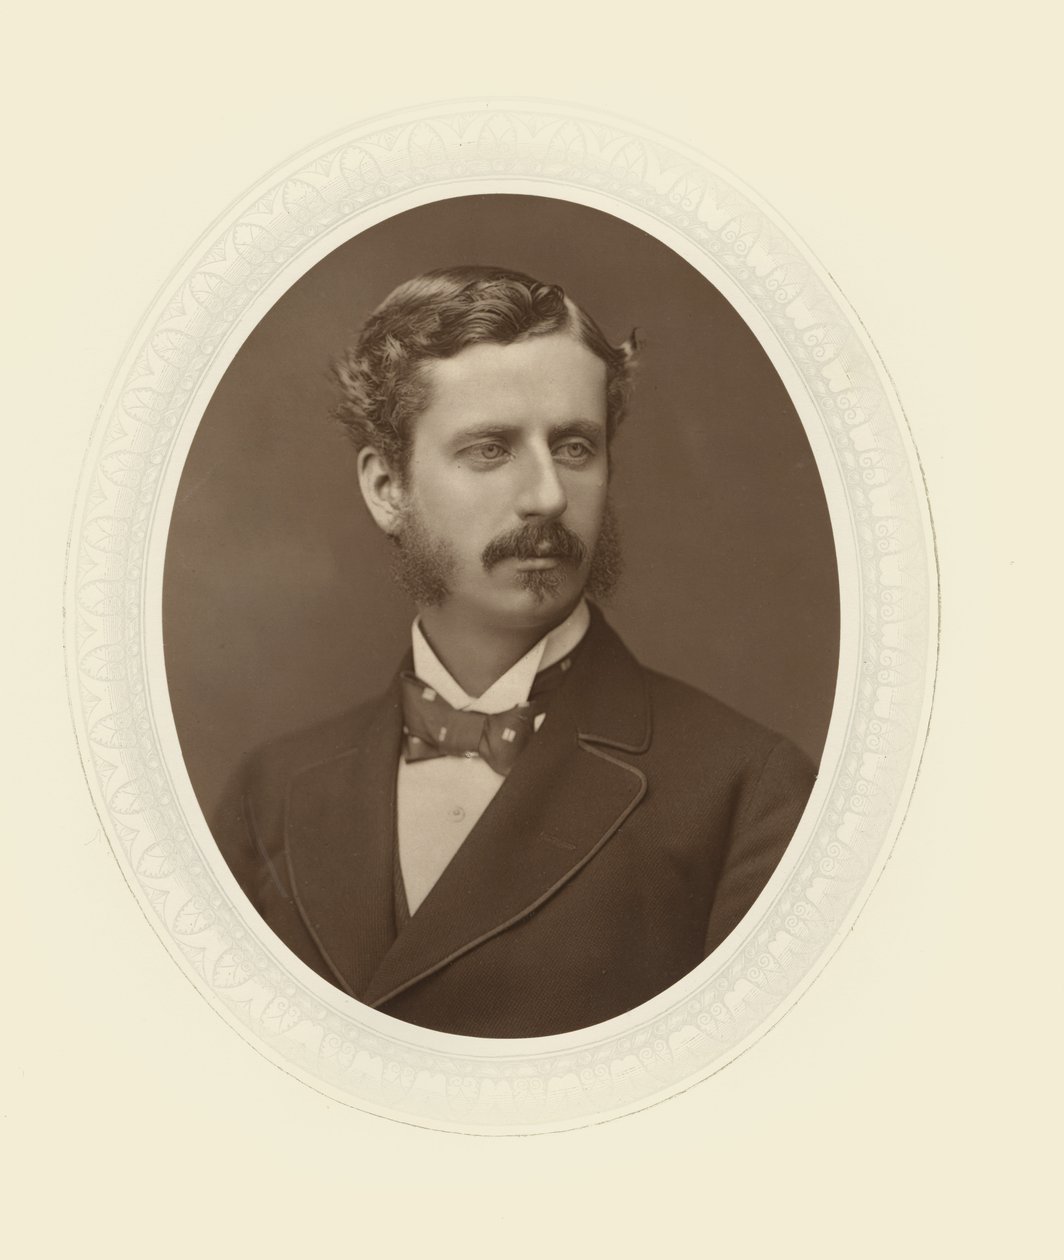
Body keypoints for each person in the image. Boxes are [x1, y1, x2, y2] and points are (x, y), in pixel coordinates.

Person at [212, 265, 816, 1038]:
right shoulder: (269, 795)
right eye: (491, 449)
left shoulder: (748, 793)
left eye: (574, 446)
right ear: (387, 488)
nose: (548, 496)